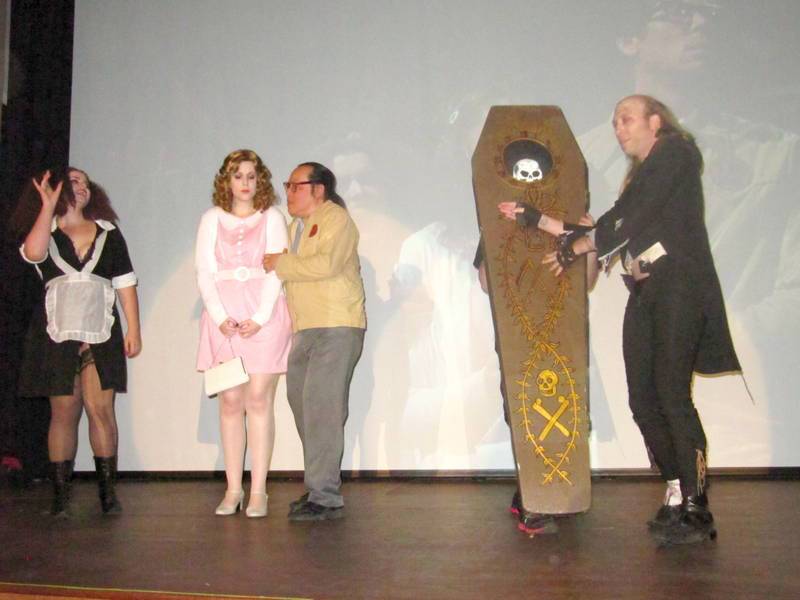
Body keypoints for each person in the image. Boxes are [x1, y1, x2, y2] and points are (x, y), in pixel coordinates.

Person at [542, 95, 740, 545]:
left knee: (671, 394)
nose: (618, 128)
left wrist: (578, 244)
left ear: (655, 121)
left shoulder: (675, 152)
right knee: (642, 399)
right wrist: (550, 225)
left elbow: (628, 219)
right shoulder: (642, 175)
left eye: (626, 119)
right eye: (614, 122)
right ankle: (675, 489)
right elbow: (617, 221)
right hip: (647, 292)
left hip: (679, 289)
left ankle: (696, 506)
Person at [14, 167, 142, 516]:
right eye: (73, 181)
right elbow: (33, 253)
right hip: (57, 333)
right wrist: (47, 207)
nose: (82, 185)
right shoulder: (48, 231)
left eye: (85, 182)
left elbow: (125, 282)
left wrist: (133, 329)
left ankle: (107, 495)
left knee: (101, 410)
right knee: (63, 412)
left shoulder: (108, 232)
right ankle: (60, 497)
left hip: (101, 331)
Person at [477, 210, 596, 535]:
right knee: (522, 412)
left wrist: (587, 239)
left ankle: (557, 492)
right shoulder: (500, 221)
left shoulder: (569, 222)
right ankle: (532, 494)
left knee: (566, 410)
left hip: (562, 330)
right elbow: (487, 282)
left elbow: (587, 281)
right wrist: (495, 242)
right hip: (520, 332)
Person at [263, 162, 366, 522]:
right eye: (287, 185)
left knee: (322, 409)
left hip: (335, 325)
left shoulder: (336, 219)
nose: (288, 193)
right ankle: (319, 484)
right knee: (303, 405)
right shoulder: (295, 227)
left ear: (318, 189)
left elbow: (326, 265)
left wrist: (280, 263)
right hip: (305, 328)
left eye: (296, 186)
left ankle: (324, 496)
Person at [195, 149, 292, 518]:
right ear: (227, 180)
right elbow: (204, 271)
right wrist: (220, 316)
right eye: (238, 176)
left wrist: (261, 316)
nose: (246, 183)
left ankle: (259, 491)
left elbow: (277, 268)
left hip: (263, 317)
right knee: (231, 402)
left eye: (252, 176)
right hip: (224, 319)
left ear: (260, 180)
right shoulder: (211, 219)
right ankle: (233, 489)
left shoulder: (272, 217)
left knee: (258, 400)